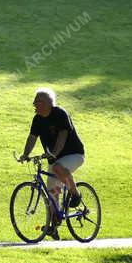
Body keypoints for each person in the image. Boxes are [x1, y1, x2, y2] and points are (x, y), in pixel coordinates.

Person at [19, 87, 86, 239]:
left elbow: (63, 136)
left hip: (74, 154)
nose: (34, 104)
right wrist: (25, 154)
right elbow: (32, 138)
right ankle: (54, 226)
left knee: (57, 168)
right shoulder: (37, 119)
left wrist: (54, 153)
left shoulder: (60, 114)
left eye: (38, 101)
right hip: (54, 158)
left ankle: (75, 194)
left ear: (48, 103)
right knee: (52, 194)